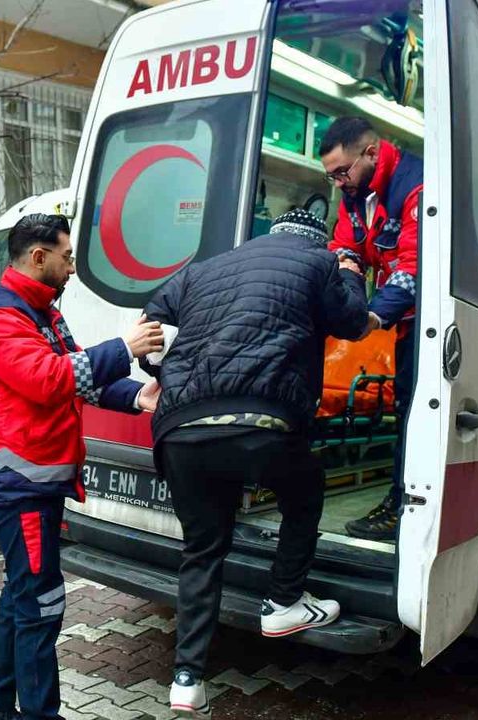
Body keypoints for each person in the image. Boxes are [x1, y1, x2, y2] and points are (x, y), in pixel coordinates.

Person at [141, 209, 375, 717]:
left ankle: (186, 679)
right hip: (259, 422)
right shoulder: (320, 262)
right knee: (305, 491)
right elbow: (354, 323)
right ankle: (284, 602)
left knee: (203, 548)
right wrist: (352, 275)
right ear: (316, 240)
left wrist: (158, 373)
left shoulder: (207, 267)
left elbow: (149, 322)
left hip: (181, 429)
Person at [0, 214, 164, 720]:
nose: (72, 267)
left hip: (33, 486)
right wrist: (124, 349)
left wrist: (137, 395)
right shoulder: (2, 318)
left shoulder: (41, 314)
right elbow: (47, 379)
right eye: (67, 257)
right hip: (19, 490)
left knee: (21, 598)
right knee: (40, 606)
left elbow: (78, 375)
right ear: (38, 257)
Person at [320, 116, 424, 542]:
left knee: (416, 413)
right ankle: (400, 500)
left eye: (342, 172)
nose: (337, 183)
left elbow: (414, 265)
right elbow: (344, 246)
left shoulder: (416, 187)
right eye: (330, 176)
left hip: (427, 324)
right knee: (405, 409)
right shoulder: (354, 196)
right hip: (404, 324)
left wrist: (373, 317)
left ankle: (403, 505)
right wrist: (342, 275)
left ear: (372, 153)